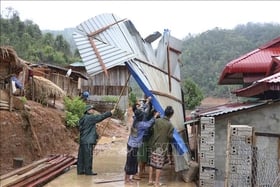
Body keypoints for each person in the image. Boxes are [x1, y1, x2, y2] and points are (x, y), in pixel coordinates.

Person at [124, 106, 159, 184]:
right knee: (130, 162)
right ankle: (126, 180)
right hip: (134, 146)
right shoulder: (141, 125)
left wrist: (146, 103)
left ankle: (128, 178)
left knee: (130, 162)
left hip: (130, 144)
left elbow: (140, 111)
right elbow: (149, 124)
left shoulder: (135, 119)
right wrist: (155, 116)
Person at [77, 105, 115, 175]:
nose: (93, 111)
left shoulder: (83, 118)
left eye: (93, 109)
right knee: (88, 156)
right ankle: (88, 171)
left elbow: (87, 129)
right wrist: (110, 113)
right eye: (91, 109)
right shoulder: (90, 118)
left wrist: (96, 136)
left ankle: (80, 170)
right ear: (87, 111)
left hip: (83, 140)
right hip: (88, 141)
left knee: (81, 156)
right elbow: (100, 117)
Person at [148, 106, 175, 187]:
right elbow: (170, 137)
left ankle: (150, 180)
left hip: (153, 144)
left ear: (165, 112)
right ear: (171, 115)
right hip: (161, 148)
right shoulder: (170, 125)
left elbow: (151, 129)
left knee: (152, 163)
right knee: (158, 166)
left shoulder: (157, 121)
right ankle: (156, 183)